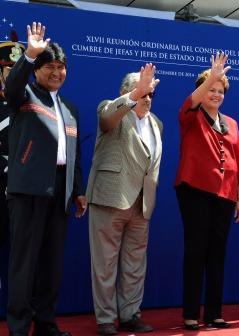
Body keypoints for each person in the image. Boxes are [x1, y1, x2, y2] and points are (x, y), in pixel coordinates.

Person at [4, 22, 87, 336]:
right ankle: (19, 327)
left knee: (51, 265)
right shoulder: (24, 95)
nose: (57, 72)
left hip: (60, 193)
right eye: (50, 66)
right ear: (37, 70)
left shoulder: (70, 109)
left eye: (61, 67)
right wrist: (29, 55)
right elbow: (11, 86)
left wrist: (77, 191)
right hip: (28, 191)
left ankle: (46, 324)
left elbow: (74, 155)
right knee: (24, 264)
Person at [175, 52, 239, 330]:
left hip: (227, 194)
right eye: (211, 89)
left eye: (220, 91)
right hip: (194, 188)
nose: (216, 94)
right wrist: (212, 75)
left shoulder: (232, 123)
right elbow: (190, 101)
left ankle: (214, 313)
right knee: (196, 250)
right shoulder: (191, 115)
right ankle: (191, 313)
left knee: (218, 253)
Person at [86, 64, 162, 335]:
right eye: (142, 92)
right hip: (110, 198)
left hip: (141, 205)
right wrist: (133, 97)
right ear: (124, 93)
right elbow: (108, 117)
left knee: (134, 264)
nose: (147, 97)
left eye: (150, 93)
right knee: (104, 263)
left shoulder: (157, 124)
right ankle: (106, 320)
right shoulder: (110, 109)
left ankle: (130, 314)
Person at [0, 36, 24, 246]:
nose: (16, 75)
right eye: (10, 69)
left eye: (20, 69)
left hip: (23, 192)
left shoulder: (36, 104)